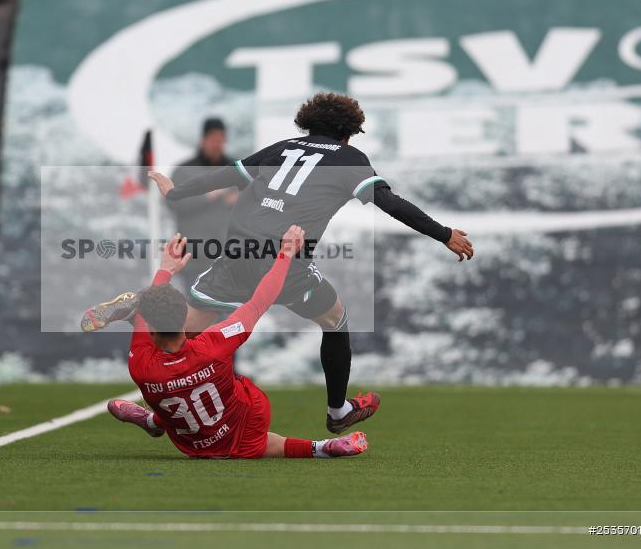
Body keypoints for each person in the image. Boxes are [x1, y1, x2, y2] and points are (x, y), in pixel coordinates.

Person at [83, 92, 473, 434]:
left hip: (236, 249)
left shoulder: (282, 147)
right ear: (347, 132)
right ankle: (338, 411)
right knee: (335, 318)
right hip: (282, 254)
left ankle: (140, 309)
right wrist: (443, 233)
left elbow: (226, 176)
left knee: (190, 322)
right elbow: (390, 203)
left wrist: (176, 193)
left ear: (308, 123)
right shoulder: (350, 158)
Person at [108, 230, 368, 459]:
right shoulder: (215, 343)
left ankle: (154, 421)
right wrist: (285, 254)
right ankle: (321, 447)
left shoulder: (139, 364)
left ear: (151, 331)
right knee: (251, 431)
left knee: (171, 395)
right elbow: (260, 301)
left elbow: (147, 322)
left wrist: (164, 270)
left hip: (192, 444)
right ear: (183, 318)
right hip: (244, 427)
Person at [167, 117, 237, 290]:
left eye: (221, 140)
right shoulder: (184, 171)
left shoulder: (236, 168)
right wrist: (208, 196)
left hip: (228, 259)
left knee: (228, 307)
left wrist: (238, 199)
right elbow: (174, 202)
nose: (217, 145)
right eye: (213, 139)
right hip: (194, 258)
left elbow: (254, 199)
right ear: (203, 139)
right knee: (194, 304)